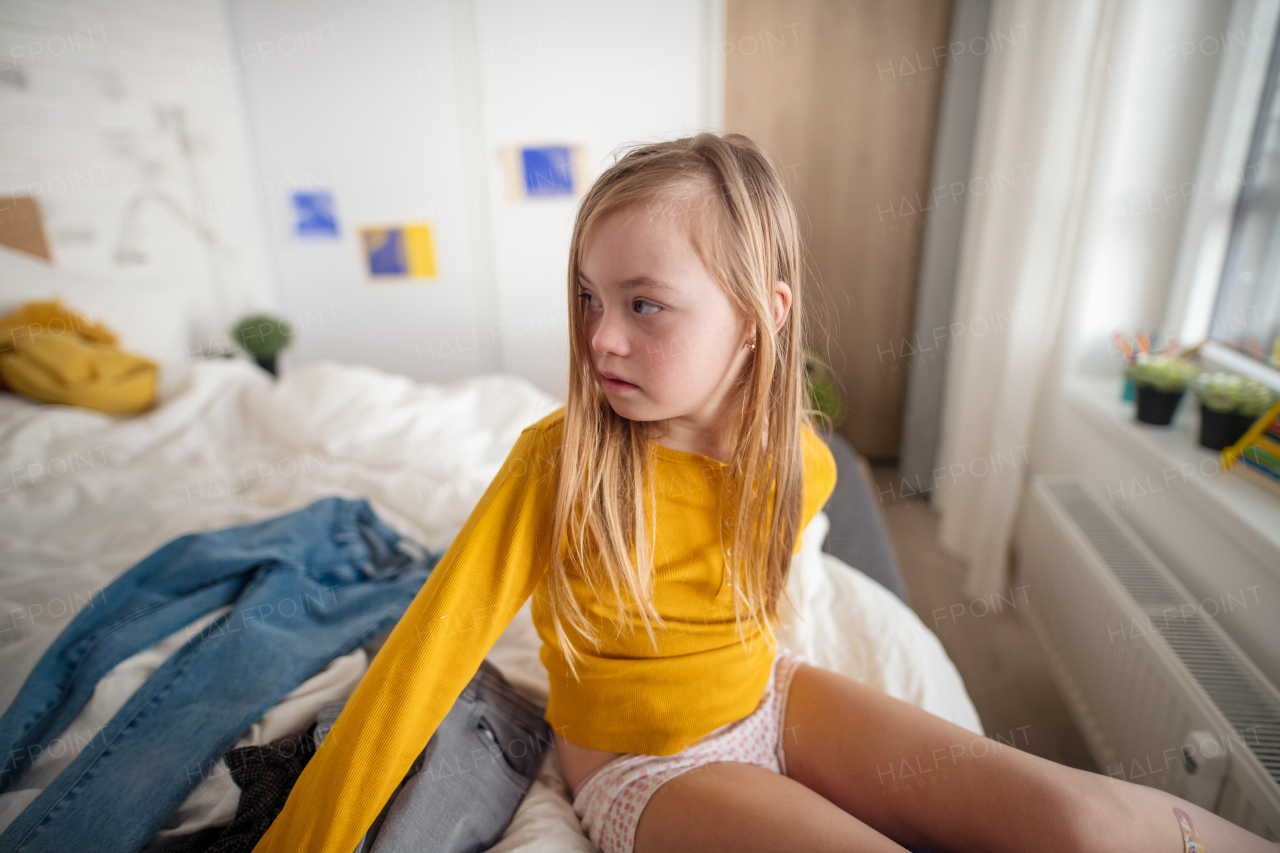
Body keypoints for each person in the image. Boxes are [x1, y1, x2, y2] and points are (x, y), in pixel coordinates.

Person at [252, 133, 1278, 853]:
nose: (600, 336)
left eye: (644, 303)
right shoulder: (557, 464)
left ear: (757, 318)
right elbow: (417, 666)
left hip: (772, 698)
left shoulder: (804, 461)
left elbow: (749, 599)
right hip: (645, 769)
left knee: (1086, 823)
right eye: (588, 299)